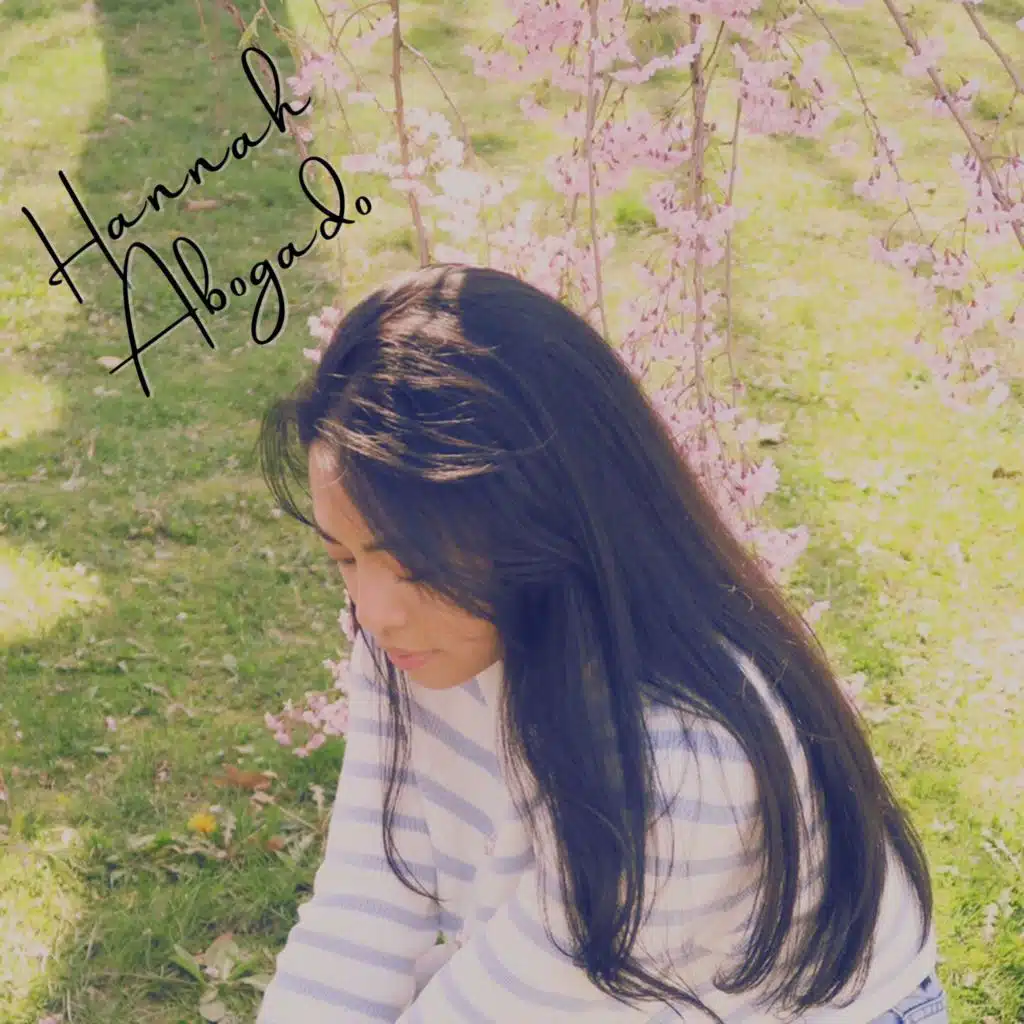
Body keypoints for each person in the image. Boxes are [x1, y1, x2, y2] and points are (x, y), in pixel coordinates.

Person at [253, 264, 946, 1023]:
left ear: (538, 521)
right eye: (344, 559)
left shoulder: (681, 760)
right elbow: (371, 899)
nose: (375, 612)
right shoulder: (410, 639)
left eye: (415, 565)